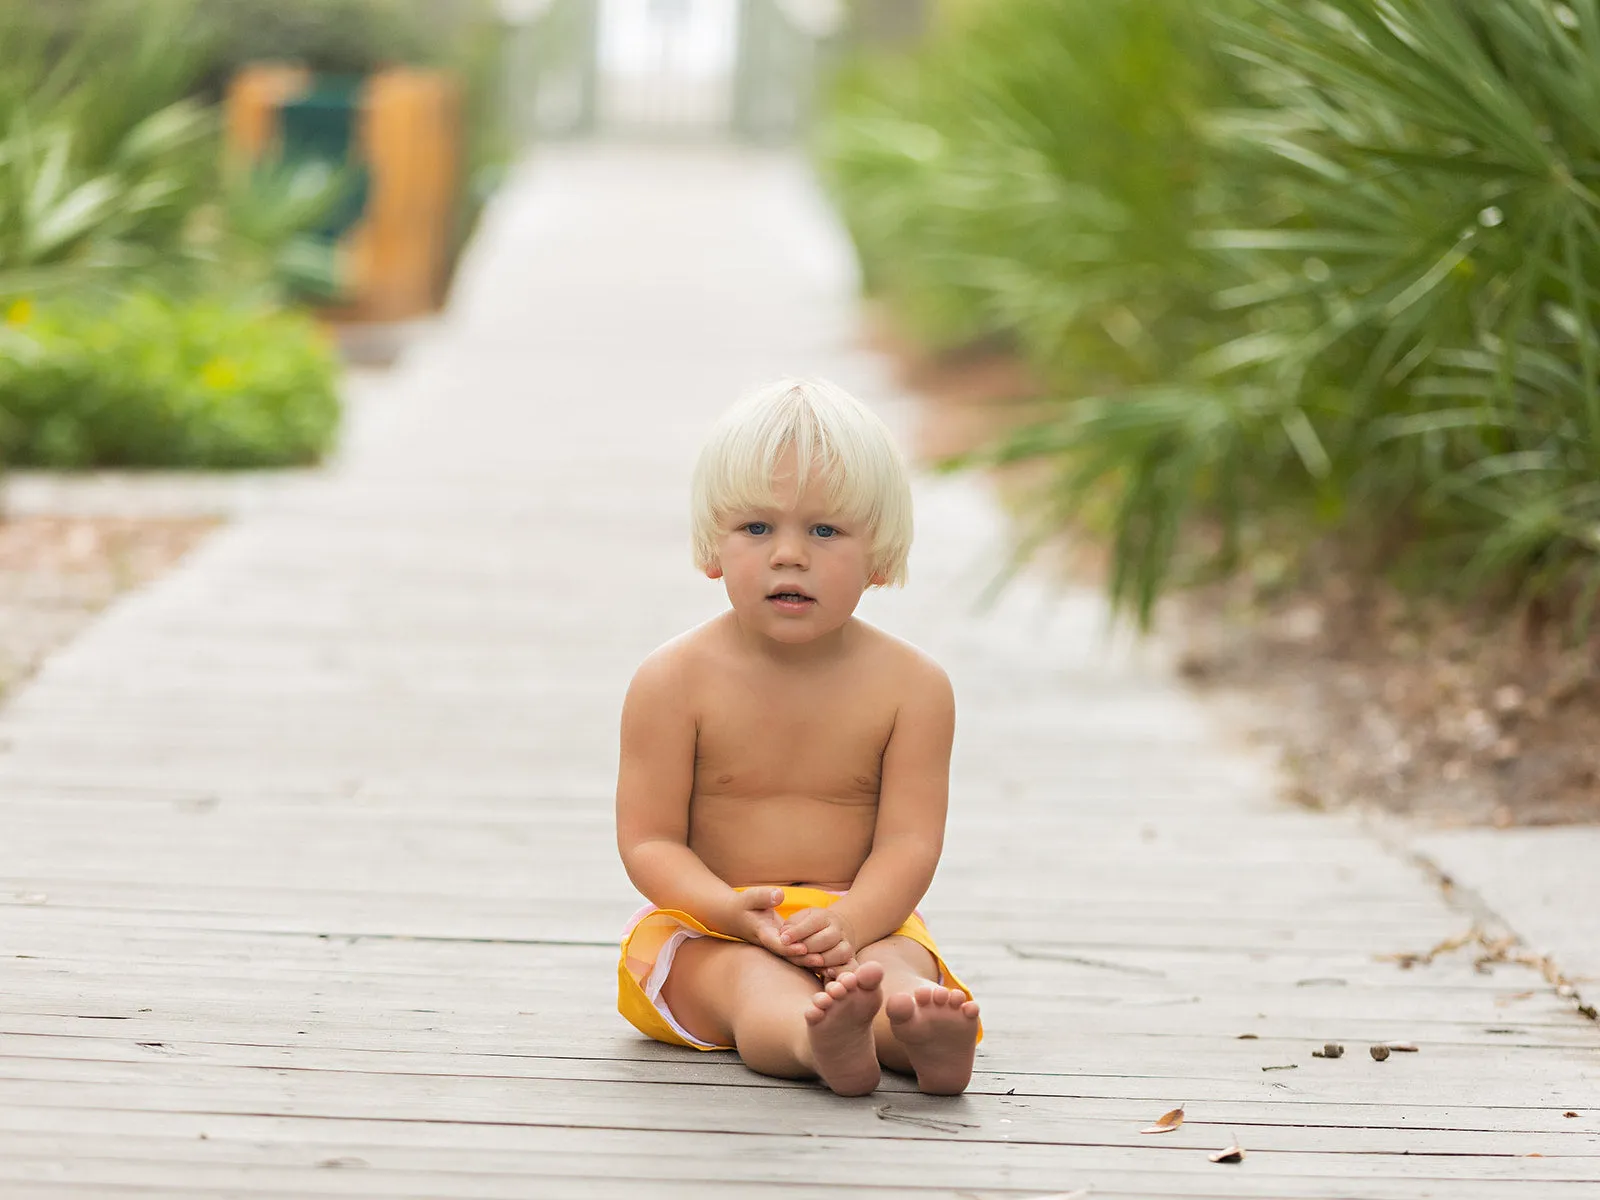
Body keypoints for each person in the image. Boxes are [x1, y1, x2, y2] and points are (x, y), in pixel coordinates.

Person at [614, 377, 981, 1097]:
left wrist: (850, 923)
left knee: (892, 970)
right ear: (712, 547)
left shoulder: (914, 689)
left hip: (861, 915)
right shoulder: (671, 682)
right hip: (712, 928)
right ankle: (817, 1042)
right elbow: (650, 841)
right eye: (757, 528)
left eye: (824, 531)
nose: (789, 555)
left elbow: (909, 842)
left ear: (878, 554)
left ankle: (916, 1033)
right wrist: (731, 912)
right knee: (753, 985)